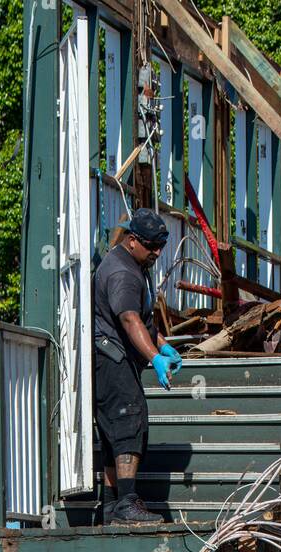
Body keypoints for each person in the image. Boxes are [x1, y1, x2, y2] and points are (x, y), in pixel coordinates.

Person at [93, 209, 183, 524]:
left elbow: (143, 321)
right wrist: (155, 358)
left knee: (113, 434)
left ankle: (111, 507)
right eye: (152, 246)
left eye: (161, 245)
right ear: (133, 241)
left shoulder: (134, 263)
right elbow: (129, 320)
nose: (157, 252)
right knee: (128, 426)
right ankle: (127, 503)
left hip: (113, 358)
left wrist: (163, 345)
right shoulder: (122, 273)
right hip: (111, 360)